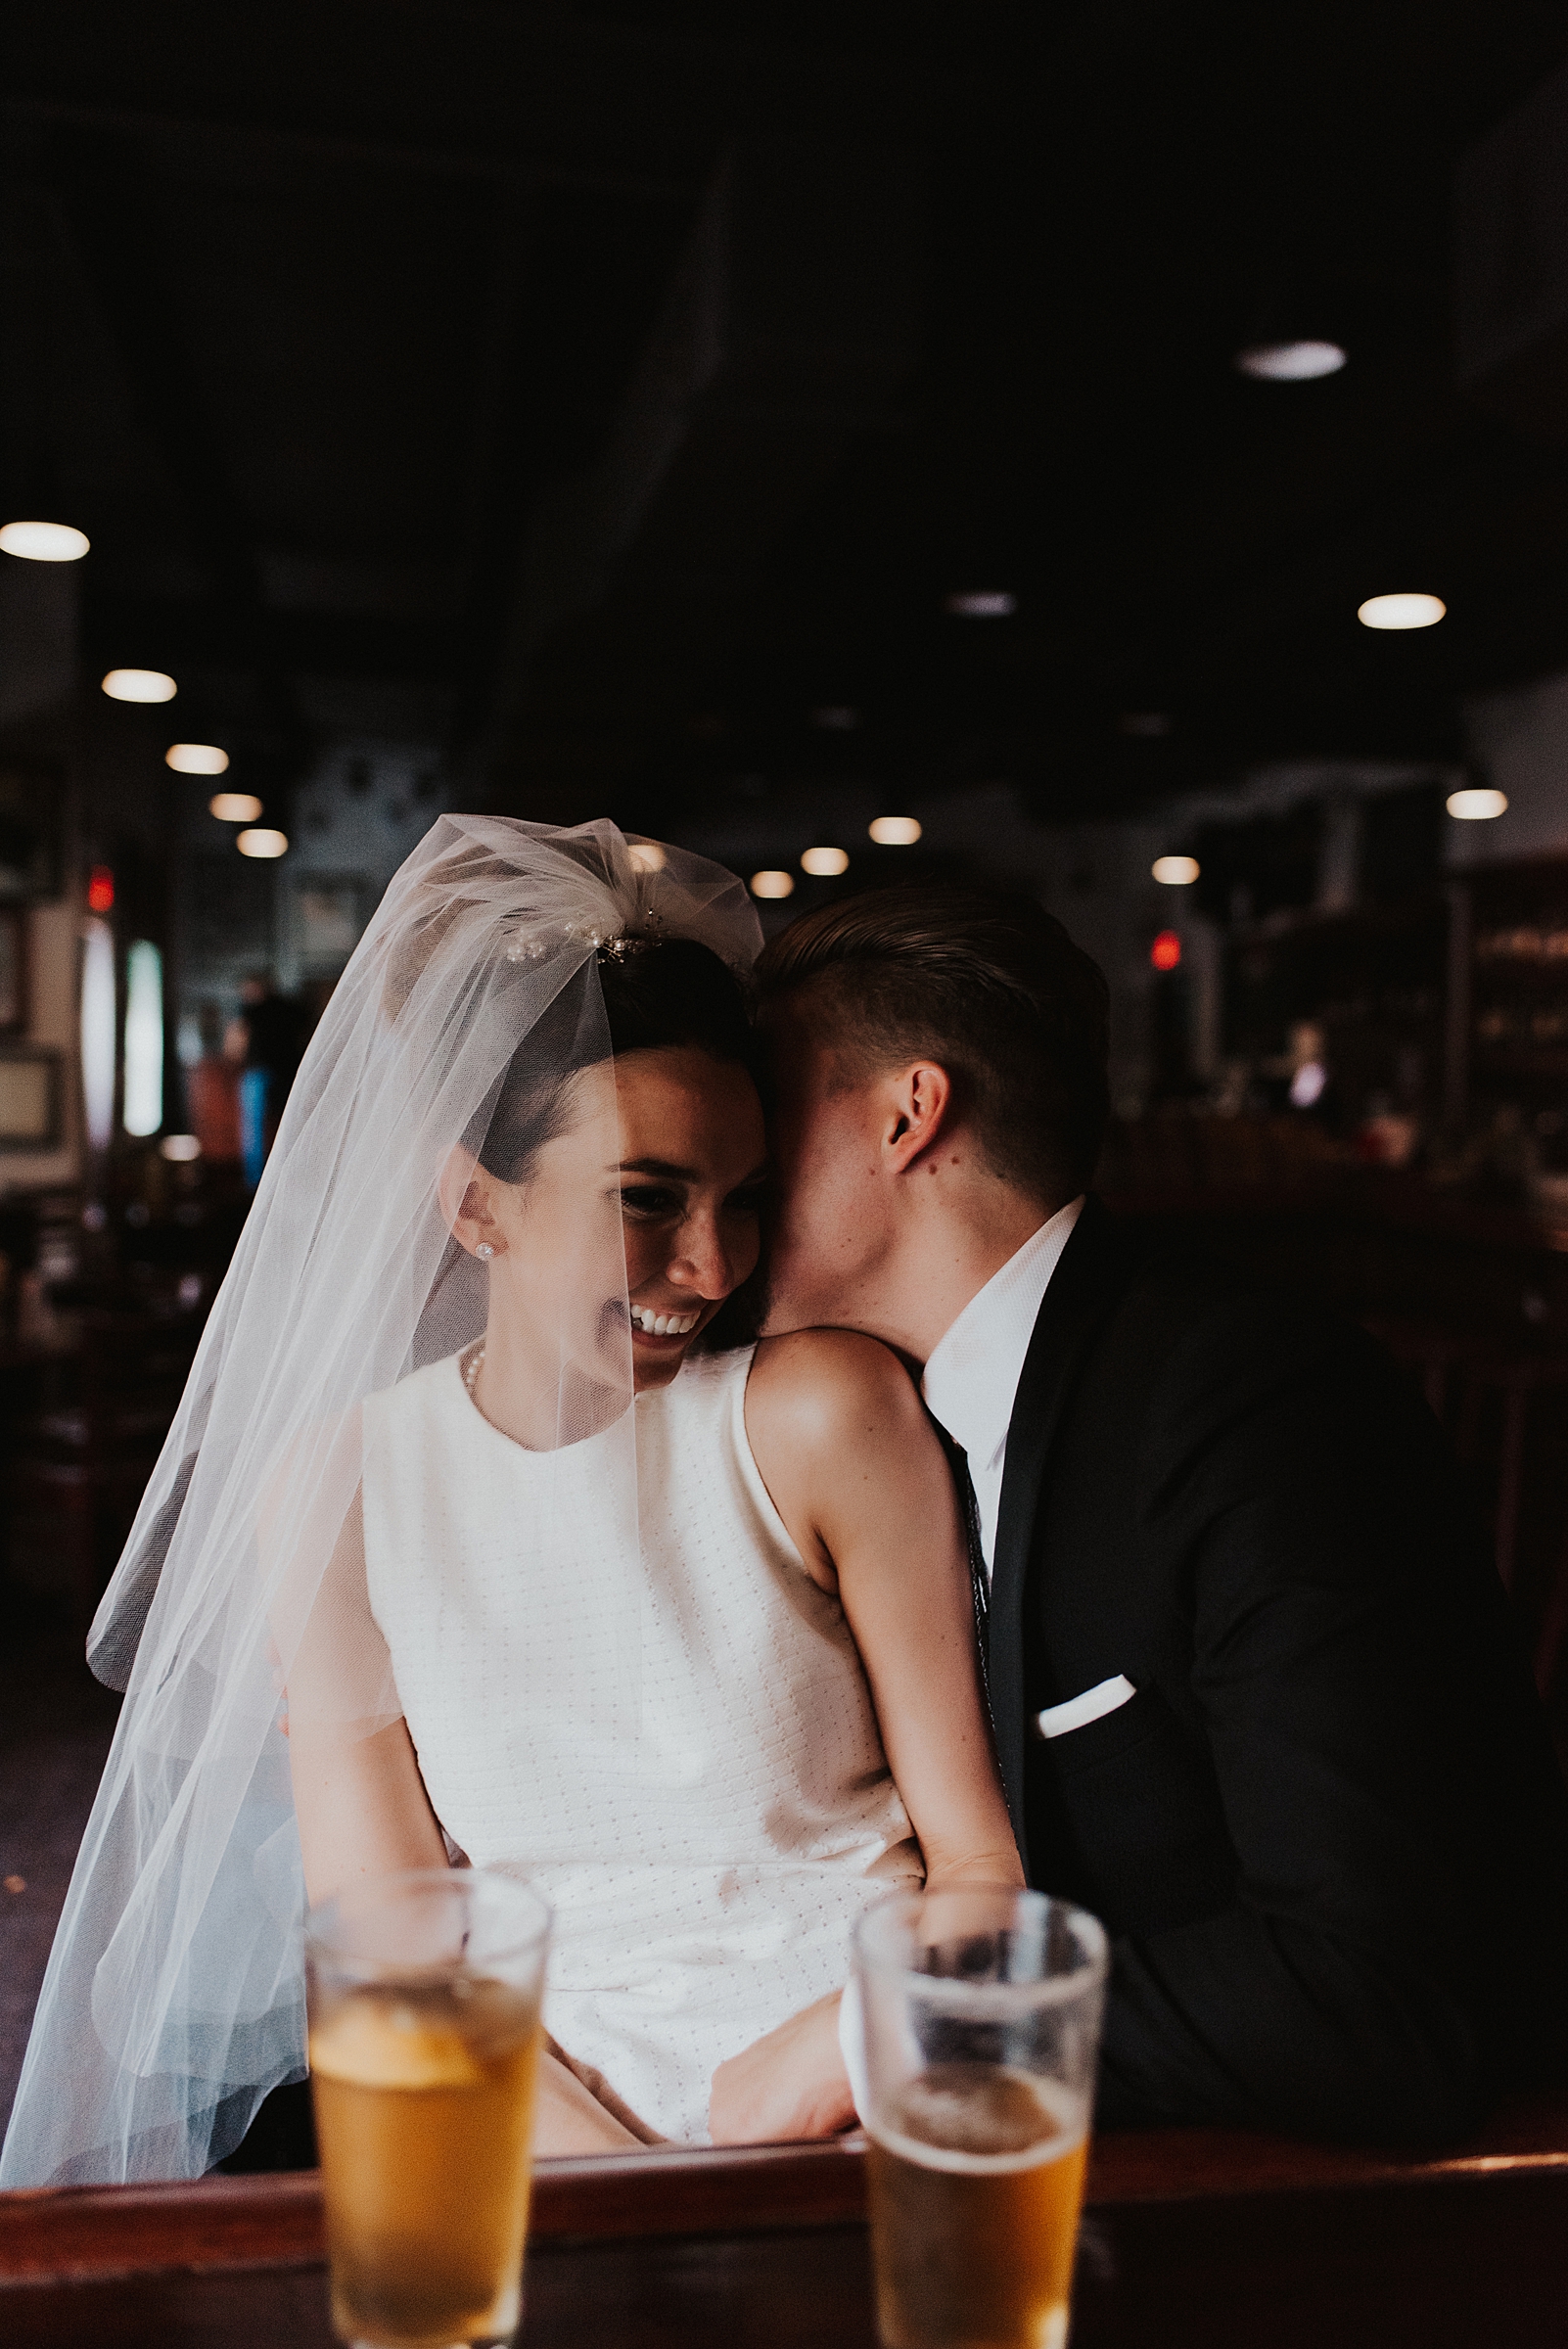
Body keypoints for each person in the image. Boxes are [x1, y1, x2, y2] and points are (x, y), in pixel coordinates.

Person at [0, 820, 1016, 2187]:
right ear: (476, 1206)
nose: (713, 1263)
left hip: (851, 2096)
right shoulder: (338, 1487)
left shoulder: (819, 1414)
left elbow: (978, 1876)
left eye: (746, 1196)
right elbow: (390, 1950)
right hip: (534, 2136)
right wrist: (619, 2186)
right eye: (646, 1199)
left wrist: (828, 2056)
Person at [754, 883, 1568, 2141]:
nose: (731, 1165)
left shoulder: (1251, 1403)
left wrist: (900, 2035)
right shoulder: (840, 1431)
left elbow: (1381, 1988)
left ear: (908, 1116)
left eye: (766, 1109)